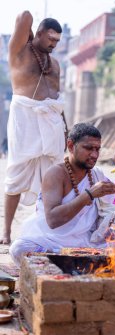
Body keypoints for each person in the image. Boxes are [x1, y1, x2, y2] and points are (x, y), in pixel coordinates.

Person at [9, 123, 115, 267]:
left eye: (97, 149)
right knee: (19, 249)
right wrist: (89, 195)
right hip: (51, 240)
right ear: (71, 145)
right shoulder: (55, 173)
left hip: (86, 242)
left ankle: (71, 264)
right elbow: (53, 220)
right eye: (88, 148)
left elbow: (114, 204)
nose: (94, 155)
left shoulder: (97, 175)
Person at [1, 10, 67, 245]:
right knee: (16, 175)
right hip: (26, 117)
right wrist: (27, 36)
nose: (53, 44)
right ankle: (6, 231)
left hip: (51, 120)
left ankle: (41, 226)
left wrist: (64, 125)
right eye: (50, 38)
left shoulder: (55, 63)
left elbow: (56, 96)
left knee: (52, 175)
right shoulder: (19, 52)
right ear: (38, 33)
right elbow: (24, 16)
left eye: (57, 41)